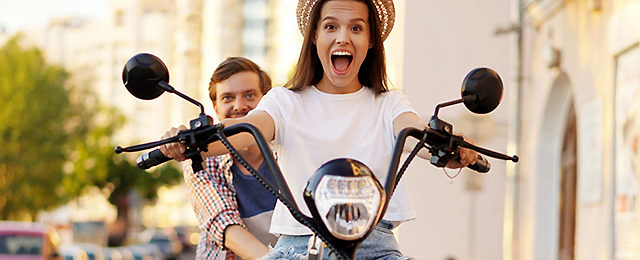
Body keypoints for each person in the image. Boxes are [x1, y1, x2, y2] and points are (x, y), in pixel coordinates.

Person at [163, 0, 479, 258]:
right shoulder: (285, 102)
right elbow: (249, 128)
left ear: (371, 41)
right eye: (331, 26)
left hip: (375, 248)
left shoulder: (389, 104)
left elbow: (413, 131)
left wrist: (452, 146)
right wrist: (191, 142)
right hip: (298, 247)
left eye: (356, 27)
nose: (343, 37)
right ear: (315, 36)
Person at [181, 57, 277, 260]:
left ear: (267, 100)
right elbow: (225, 225)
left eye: (250, 95)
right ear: (215, 108)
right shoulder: (202, 160)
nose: (239, 106)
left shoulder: (289, 149)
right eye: (227, 98)